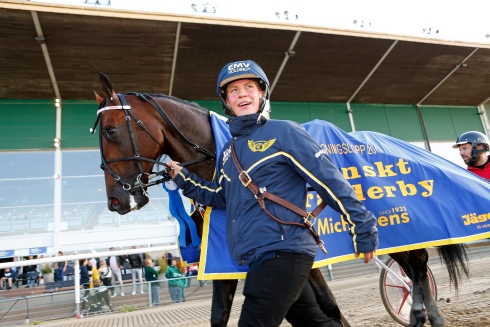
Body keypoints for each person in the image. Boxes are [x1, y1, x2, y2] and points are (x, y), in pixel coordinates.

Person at [165, 60, 378, 327]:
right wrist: (182, 177)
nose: (242, 93)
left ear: (262, 93)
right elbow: (219, 196)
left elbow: (330, 181)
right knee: (317, 323)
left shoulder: (284, 132)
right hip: (259, 256)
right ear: (227, 102)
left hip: (283, 250)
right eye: (233, 90)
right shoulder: (229, 152)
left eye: (249, 86)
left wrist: (364, 226)